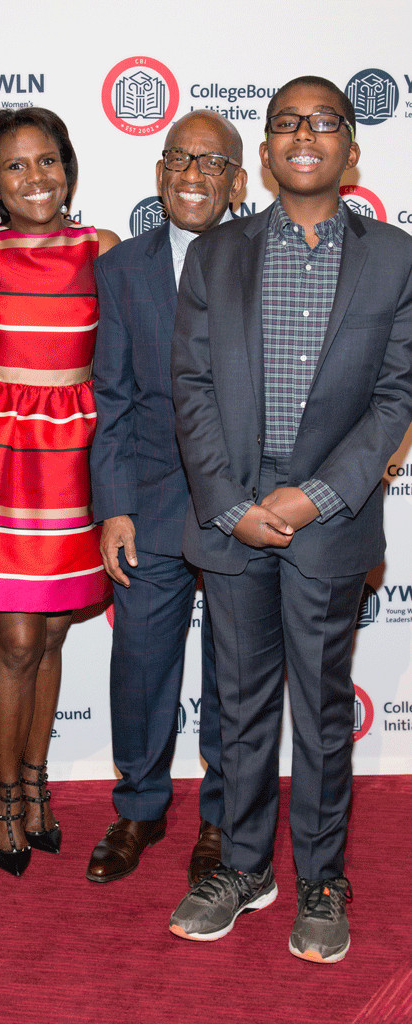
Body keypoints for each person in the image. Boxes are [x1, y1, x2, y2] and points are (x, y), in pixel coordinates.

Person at [170, 77, 412, 962]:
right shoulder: (216, 254)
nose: (303, 135)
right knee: (239, 708)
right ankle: (243, 867)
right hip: (233, 511)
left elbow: (396, 395)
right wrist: (231, 504)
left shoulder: (395, 257)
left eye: (325, 123)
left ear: (352, 150)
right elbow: (188, 387)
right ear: (264, 153)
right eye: (285, 123)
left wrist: (318, 495)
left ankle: (320, 878)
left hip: (331, 513)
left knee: (317, 706)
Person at [0, 108, 119, 876]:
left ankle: (37, 782)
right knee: (18, 637)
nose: (36, 179)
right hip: (5, 453)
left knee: (51, 635)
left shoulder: (103, 248)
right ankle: (5, 796)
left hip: (80, 450)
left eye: (47, 161)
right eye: (15, 167)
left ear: (68, 167)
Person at [86, 110, 247, 884]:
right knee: (141, 662)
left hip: (242, 506)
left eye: (211, 163)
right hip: (147, 503)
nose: (192, 175)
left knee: (232, 666)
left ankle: (220, 820)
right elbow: (110, 398)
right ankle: (140, 807)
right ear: (159, 172)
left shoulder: (265, 260)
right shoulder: (121, 270)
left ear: (237, 182)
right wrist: (113, 505)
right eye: (179, 159)